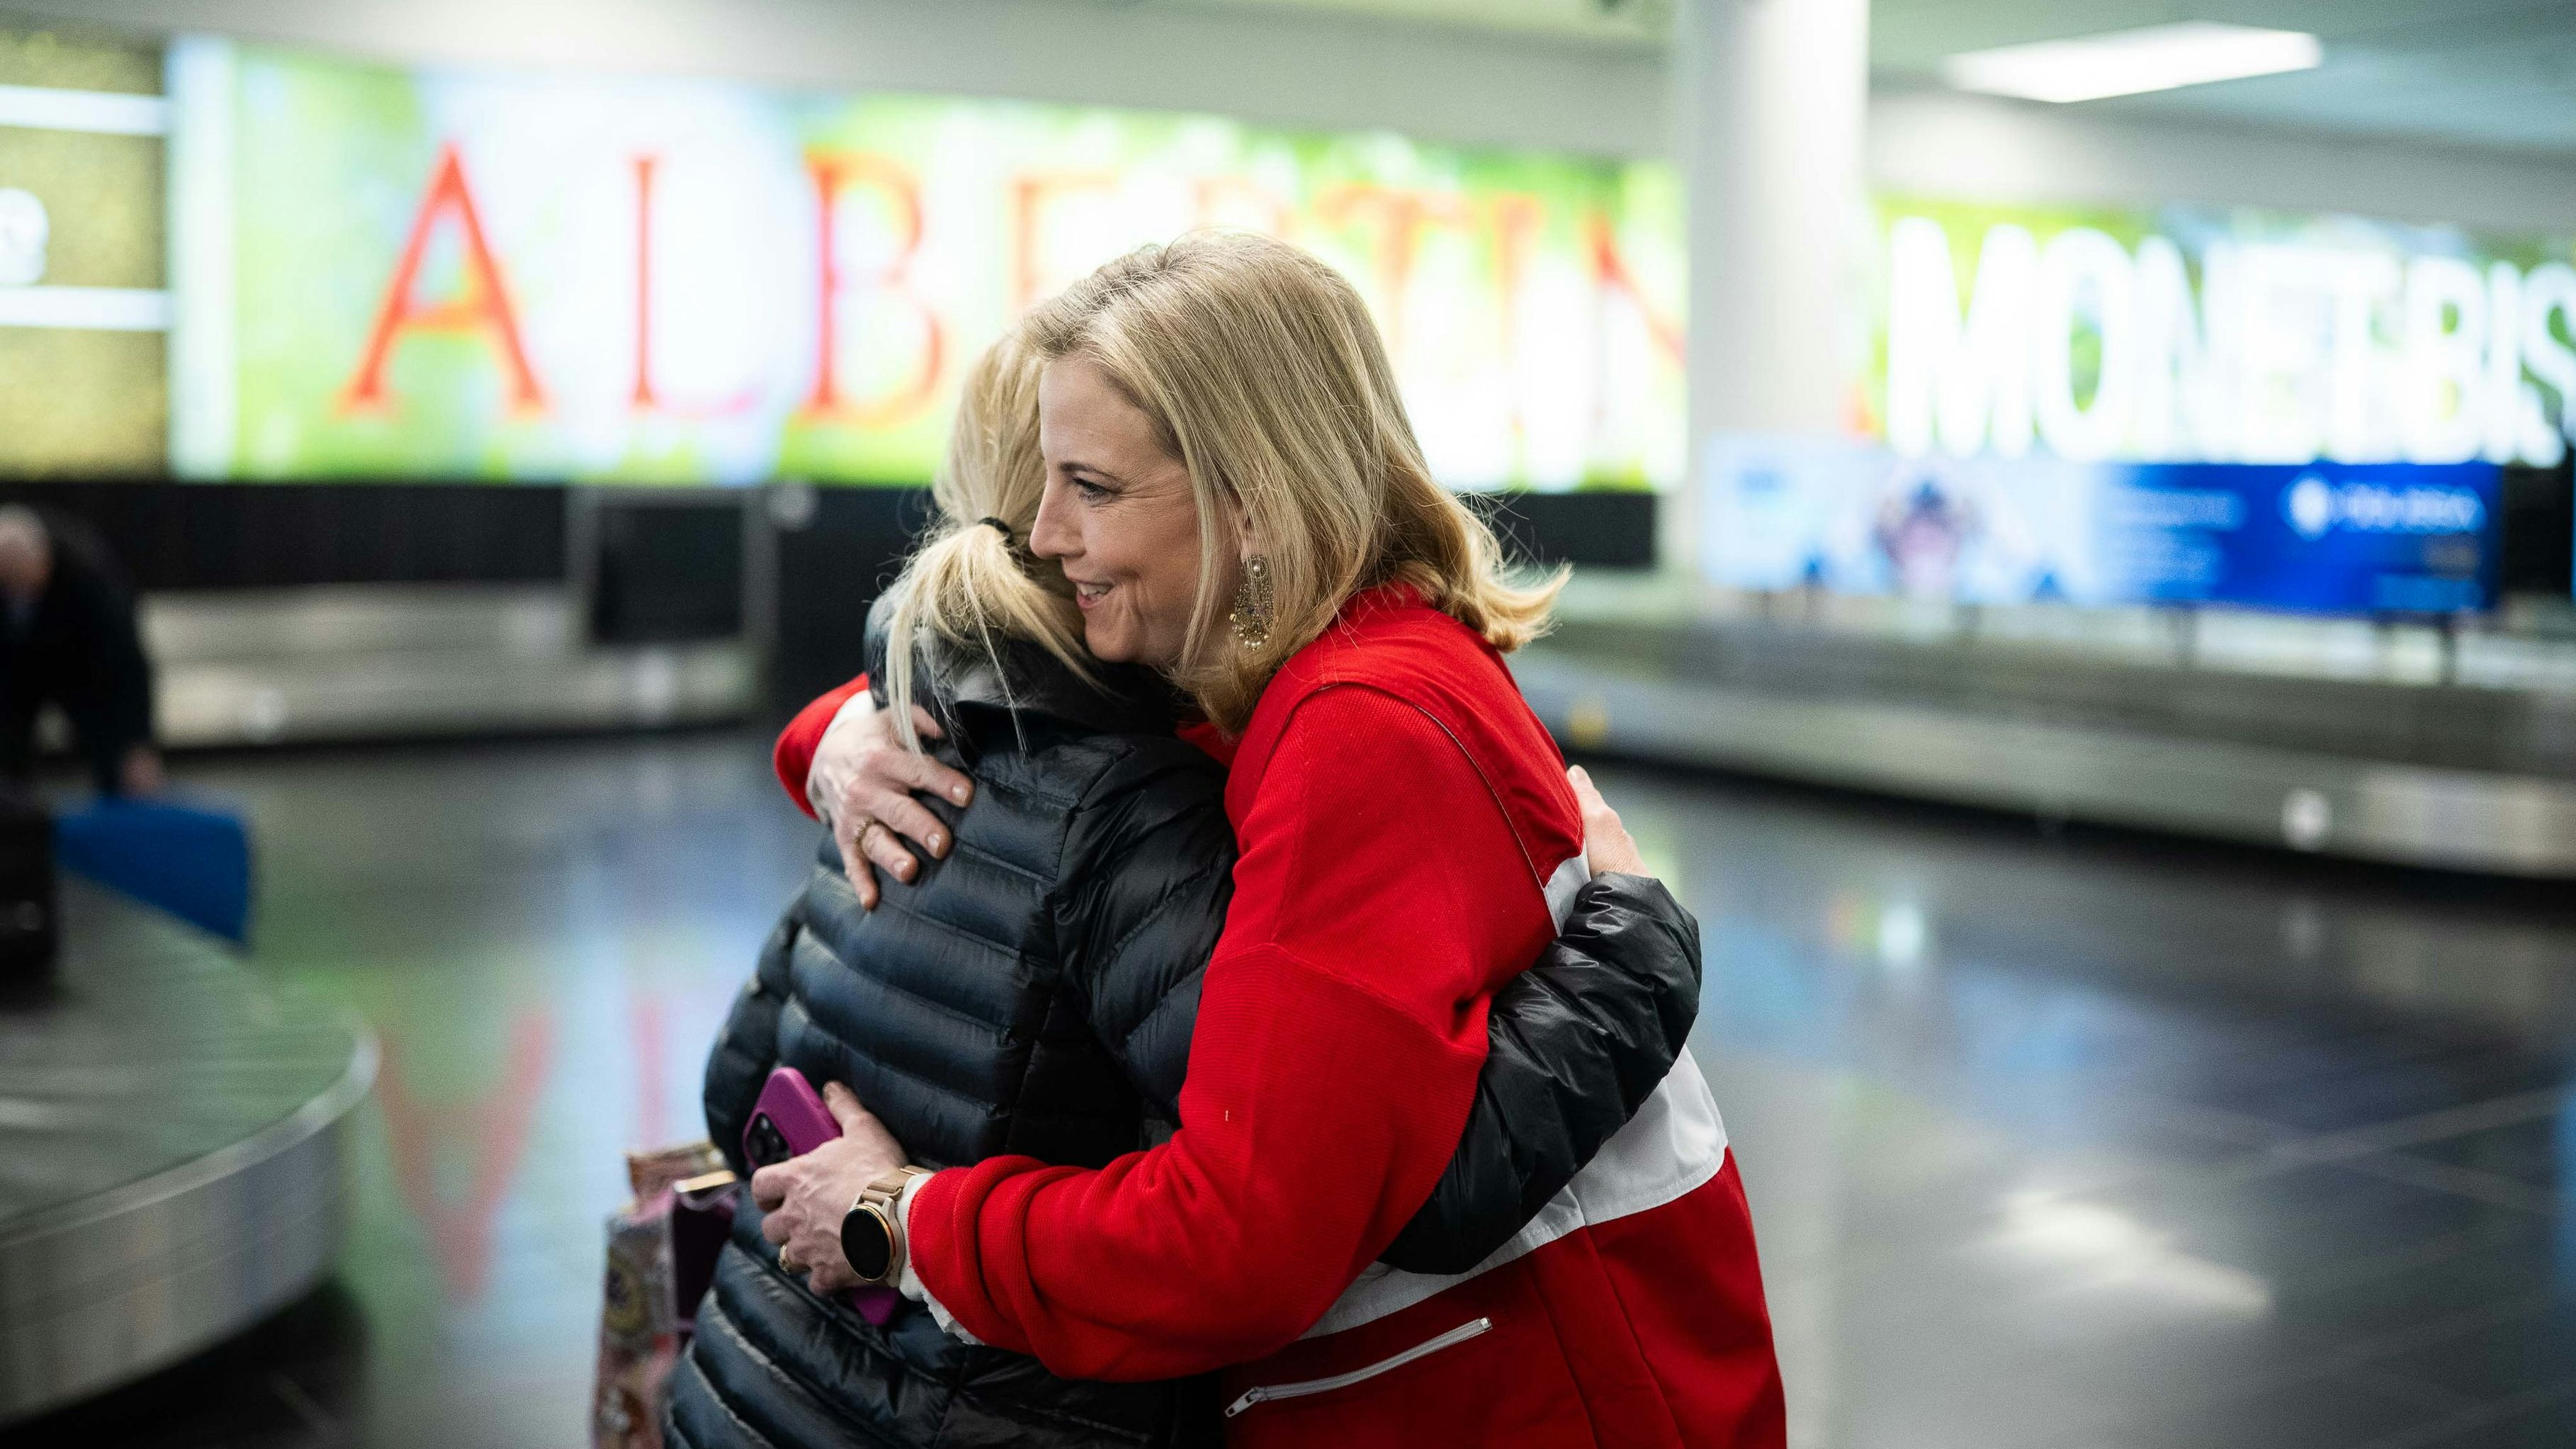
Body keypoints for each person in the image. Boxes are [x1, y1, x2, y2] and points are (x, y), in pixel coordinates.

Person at [750, 233, 1785, 1448]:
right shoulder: (1293, 677)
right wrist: (835, 731)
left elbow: (1241, 1242)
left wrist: (900, 1221)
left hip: (1531, 1397)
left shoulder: (1356, 729)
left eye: (1091, 486)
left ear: (1251, 498)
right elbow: (1056, 729)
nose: (1039, 534)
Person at [0, 504, 163, 798]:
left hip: (86, 673)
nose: (15, 584)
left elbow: (128, 666)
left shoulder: (91, 581)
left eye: (19, 571)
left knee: (116, 758)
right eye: (5, 574)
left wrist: (138, 743)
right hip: (17, 672)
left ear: (42, 559)